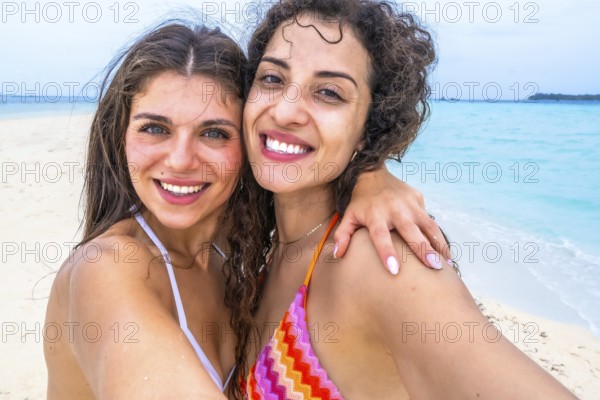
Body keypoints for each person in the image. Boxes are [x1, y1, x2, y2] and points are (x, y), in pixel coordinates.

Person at [43, 21, 448, 400]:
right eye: (155, 128)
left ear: (251, 140)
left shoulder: (236, 248)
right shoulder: (108, 267)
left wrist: (370, 174)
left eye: (214, 133)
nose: (181, 160)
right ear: (120, 138)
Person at [239, 0, 578, 398]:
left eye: (329, 92)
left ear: (369, 127)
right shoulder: (259, 241)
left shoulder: (381, 259)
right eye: (273, 79)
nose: (285, 111)